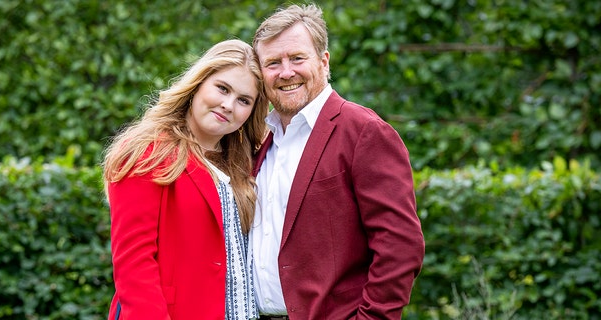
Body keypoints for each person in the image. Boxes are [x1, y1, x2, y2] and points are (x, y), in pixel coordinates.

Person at [249, 4, 425, 319]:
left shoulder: (364, 132)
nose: (286, 72)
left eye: (297, 58)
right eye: (273, 63)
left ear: (324, 61)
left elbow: (400, 246)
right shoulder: (260, 140)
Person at [102, 39, 268, 320]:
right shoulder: (148, 151)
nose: (228, 105)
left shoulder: (246, 164)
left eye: (244, 100)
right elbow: (134, 266)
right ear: (198, 84)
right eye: (222, 88)